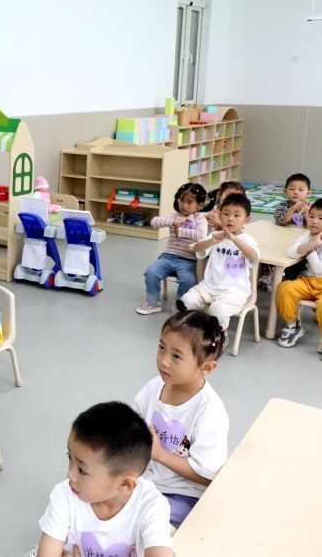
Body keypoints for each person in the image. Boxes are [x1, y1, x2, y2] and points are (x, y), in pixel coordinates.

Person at [31, 402, 174, 557]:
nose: (69, 475)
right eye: (69, 457)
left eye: (82, 470)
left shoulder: (151, 505)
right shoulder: (64, 495)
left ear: (125, 484)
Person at [133, 311, 229, 527]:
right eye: (161, 347)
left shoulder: (209, 411)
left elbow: (208, 476)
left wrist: (160, 454)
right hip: (144, 481)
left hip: (184, 495)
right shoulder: (154, 387)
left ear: (206, 367)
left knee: (138, 520)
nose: (164, 361)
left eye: (176, 356)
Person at [276, 197, 322, 363]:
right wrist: (310, 244)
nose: (314, 221)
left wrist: (309, 248)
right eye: (311, 216)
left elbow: (319, 268)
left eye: (321, 218)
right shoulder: (308, 235)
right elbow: (291, 252)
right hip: (311, 282)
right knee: (285, 288)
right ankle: (292, 326)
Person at [182, 194, 259, 331]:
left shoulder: (248, 240)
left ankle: (219, 336)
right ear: (219, 215)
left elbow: (254, 257)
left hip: (234, 292)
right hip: (208, 287)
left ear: (246, 220)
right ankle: (187, 332)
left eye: (237, 215)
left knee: (217, 310)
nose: (230, 219)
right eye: (226, 214)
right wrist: (211, 241)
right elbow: (197, 248)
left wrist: (234, 239)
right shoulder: (215, 235)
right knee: (186, 301)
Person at [136, 183, 208, 315]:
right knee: (151, 272)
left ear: (199, 205)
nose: (184, 205)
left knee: (188, 280)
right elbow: (154, 222)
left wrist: (180, 231)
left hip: (189, 260)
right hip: (169, 256)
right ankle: (153, 302)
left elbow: (201, 235)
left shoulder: (200, 219)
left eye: (189, 202)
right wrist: (172, 222)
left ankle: (180, 305)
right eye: (181, 200)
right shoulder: (175, 216)